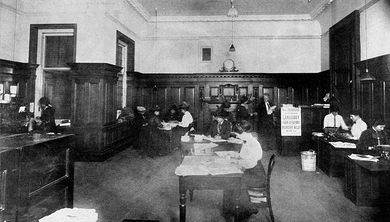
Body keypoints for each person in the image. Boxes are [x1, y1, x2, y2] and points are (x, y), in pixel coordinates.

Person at [223, 120, 264, 220]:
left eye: (237, 135)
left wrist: (236, 162)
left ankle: (245, 211)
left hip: (256, 174)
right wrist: (235, 156)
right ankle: (230, 208)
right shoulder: (247, 140)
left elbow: (251, 163)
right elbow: (245, 156)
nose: (237, 137)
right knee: (230, 180)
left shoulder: (251, 143)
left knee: (236, 182)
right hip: (251, 170)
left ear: (243, 133)